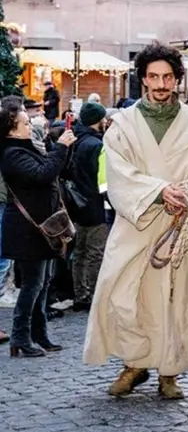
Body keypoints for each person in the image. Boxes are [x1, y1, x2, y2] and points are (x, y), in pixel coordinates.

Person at [83, 43, 188, 399]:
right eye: (153, 76)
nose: (160, 83)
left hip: (176, 229)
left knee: (172, 300)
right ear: (143, 80)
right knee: (120, 293)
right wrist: (160, 191)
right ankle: (134, 363)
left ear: (177, 79)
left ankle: (169, 371)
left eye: (167, 76)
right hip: (136, 223)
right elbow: (119, 175)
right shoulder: (123, 125)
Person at [0, 95, 76, 357]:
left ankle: (39, 334)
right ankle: (20, 336)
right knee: (33, 284)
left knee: (43, 282)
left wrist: (56, 144)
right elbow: (42, 174)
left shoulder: (26, 147)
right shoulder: (11, 153)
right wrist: (61, 148)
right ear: (12, 128)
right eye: (23, 123)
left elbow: (52, 168)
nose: (28, 125)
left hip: (43, 228)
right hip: (27, 230)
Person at [68, 102, 109, 312]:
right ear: (98, 120)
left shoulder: (74, 140)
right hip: (94, 205)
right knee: (95, 252)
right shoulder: (96, 145)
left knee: (80, 252)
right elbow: (103, 181)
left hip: (76, 204)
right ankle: (94, 294)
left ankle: (80, 293)